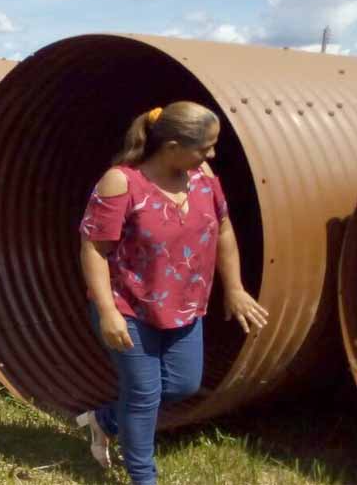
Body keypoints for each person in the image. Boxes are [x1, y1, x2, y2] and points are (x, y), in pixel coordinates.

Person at [77, 102, 269, 485]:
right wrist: (108, 311)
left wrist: (234, 287)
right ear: (172, 146)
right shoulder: (122, 182)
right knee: (144, 394)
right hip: (128, 306)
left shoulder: (202, 176)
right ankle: (143, 477)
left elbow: (224, 229)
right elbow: (93, 249)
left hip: (185, 306)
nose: (211, 155)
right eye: (205, 147)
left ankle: (106, 420)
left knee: (184, 385)